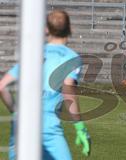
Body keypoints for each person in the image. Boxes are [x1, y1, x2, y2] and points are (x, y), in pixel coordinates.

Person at [0, 10, 90, 160]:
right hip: (47, 129)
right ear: (70, 29)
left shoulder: (33, 53)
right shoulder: (71, 58)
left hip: (21, 128)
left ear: (46, 29)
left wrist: (16, 112)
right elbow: (68, 90)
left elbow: (2, 86)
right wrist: (79, 127)